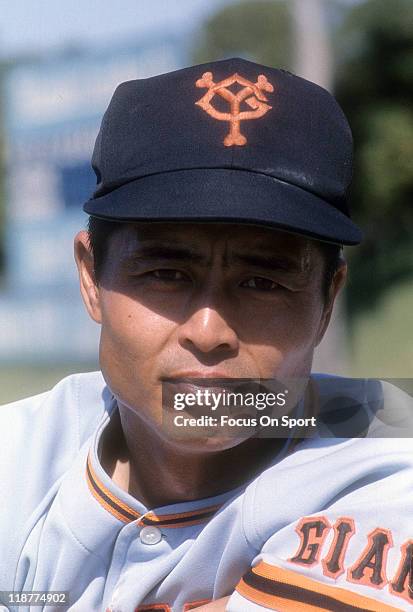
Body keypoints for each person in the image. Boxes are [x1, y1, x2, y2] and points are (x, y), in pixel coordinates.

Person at [0, 58, 412, 612]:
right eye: (166, 274)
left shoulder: (389, 458)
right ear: (91, 278)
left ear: (327, 301)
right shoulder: (18, 456)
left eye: (262, 282)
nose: (209, 330)